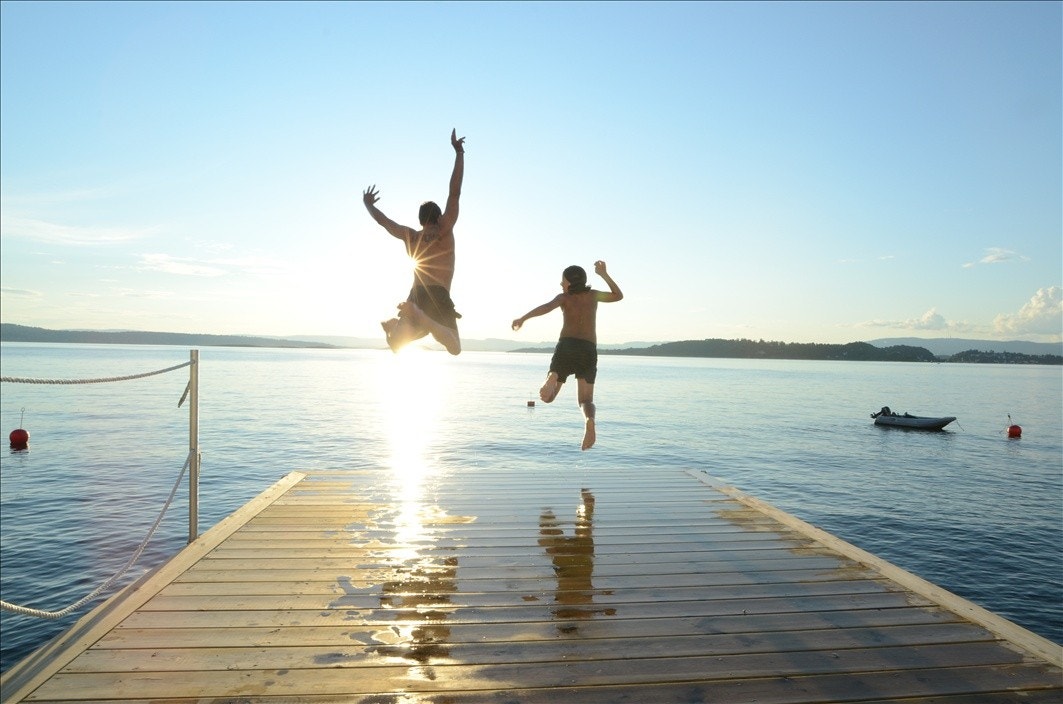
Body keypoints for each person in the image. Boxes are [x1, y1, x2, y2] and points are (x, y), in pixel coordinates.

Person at [363, 128, 465, 355]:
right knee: (455, 347)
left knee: (396, 344)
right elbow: (455, 192)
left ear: (420, 221)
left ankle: (400, 324)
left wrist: (369, 204)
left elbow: (385, 222)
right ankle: (419, 317)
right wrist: (459, 154)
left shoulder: (412, 237)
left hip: (416, 295)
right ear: (438, 217)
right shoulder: (444, 229)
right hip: (438, 295)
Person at [512, 261, 623, 450]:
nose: (561, 284)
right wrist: (603, 274)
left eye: (563, 281)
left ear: (570, 283)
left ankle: (553, 375)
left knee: (548, 398)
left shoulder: (564, 298)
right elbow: (618, 296)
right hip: (588, 350)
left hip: (567, 346)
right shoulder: (594, 295)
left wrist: (523, 318)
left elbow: (546, 307)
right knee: (585, 401)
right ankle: (589, 420)